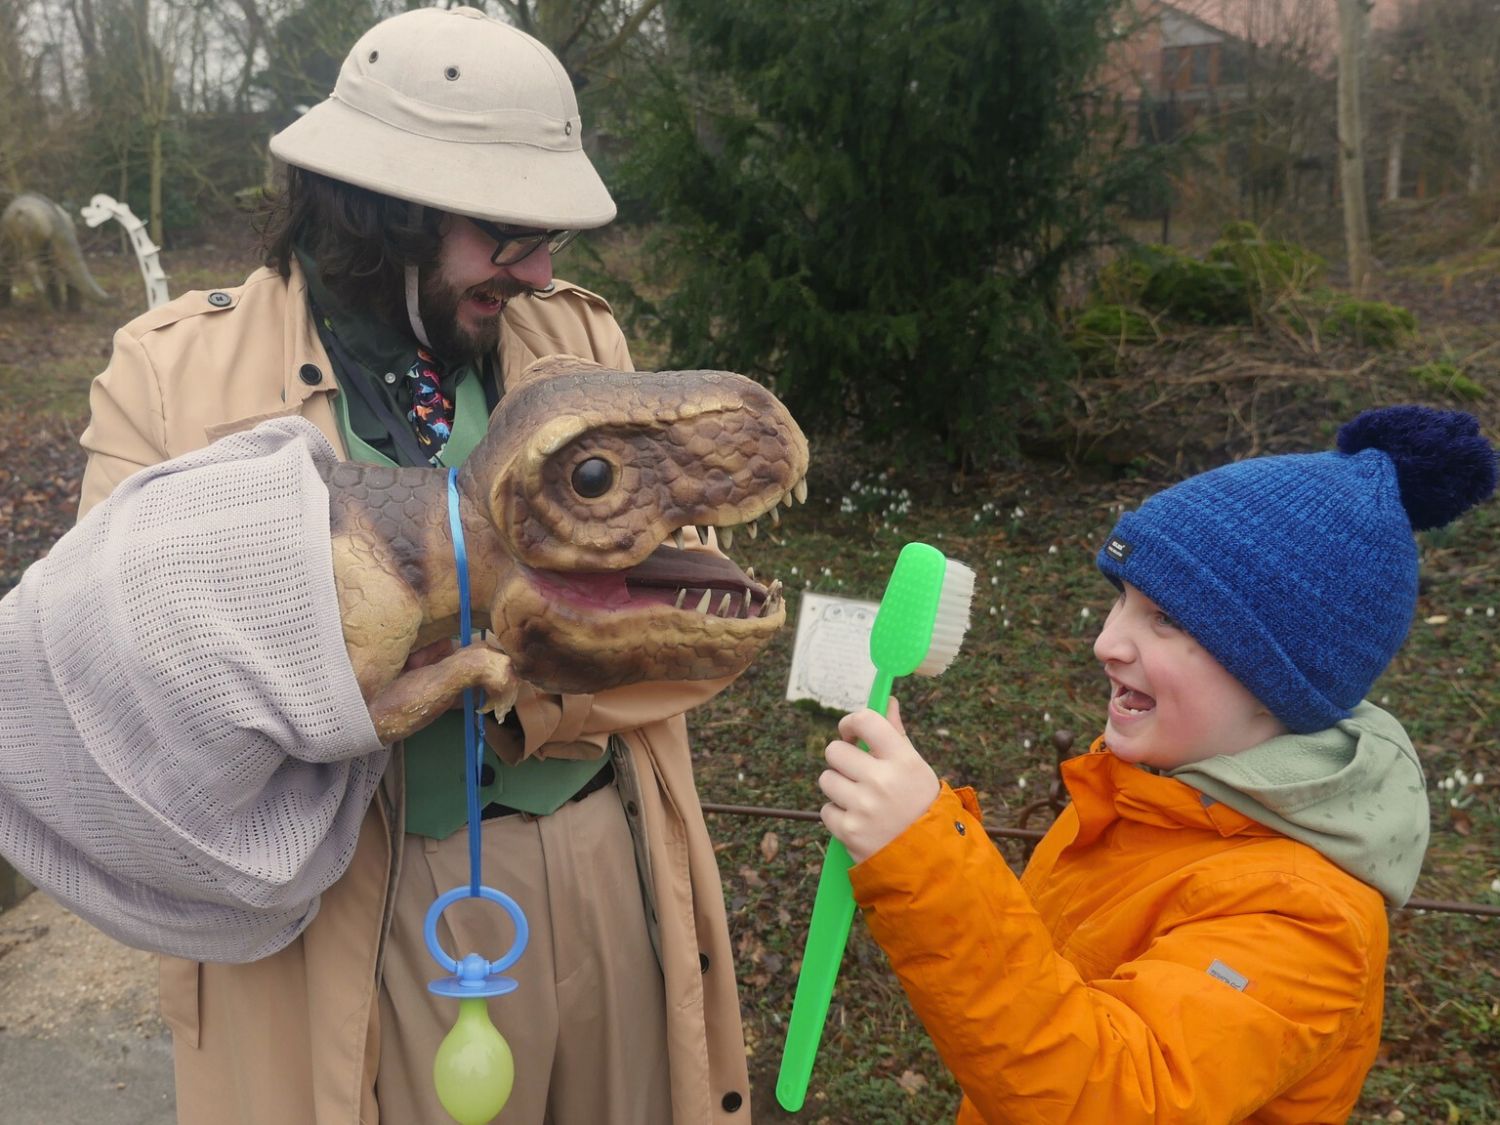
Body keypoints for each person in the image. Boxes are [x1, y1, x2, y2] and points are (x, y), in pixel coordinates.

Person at [73, 7, 750, 1123]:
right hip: (341, 909)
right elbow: (112, 691)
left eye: (551, 234)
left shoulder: (577, 341)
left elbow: (681, 612)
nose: (539, 268)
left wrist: (509, 667)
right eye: (508, 230)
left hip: (596, 859)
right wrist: (382, 664)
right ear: (384, 207)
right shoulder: (169, 378)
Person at [816, 406, 1496, 1123]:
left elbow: (1113, 1096)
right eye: (1123, 600)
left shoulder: (1308, 917)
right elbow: (1045, 986)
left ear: (1277, 678)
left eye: (1165, 619)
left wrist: (927, 861)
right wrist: (927, 833)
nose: (1106, 642)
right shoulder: (1144, 795)